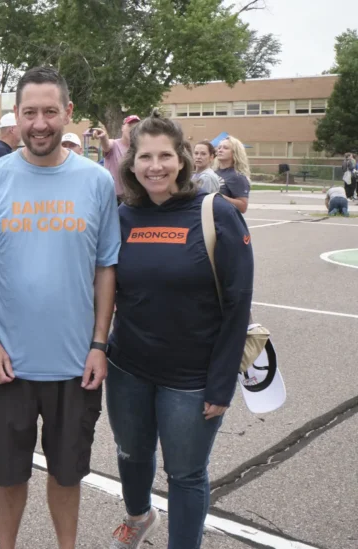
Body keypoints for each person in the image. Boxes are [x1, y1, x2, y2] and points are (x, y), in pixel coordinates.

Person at [0, 66, 120, 549]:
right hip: (9, 362)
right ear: (16, 115)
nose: (39, 123)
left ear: (67, 113)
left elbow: (106, 268)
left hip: (75, 363)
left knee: (68, 474)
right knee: (9, 475)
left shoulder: (96, 182)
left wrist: (99, 344)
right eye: (29, 112)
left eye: (50, 111)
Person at [105, 111, 253, 549]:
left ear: (183, 159)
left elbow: (238, 301)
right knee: (131, 456)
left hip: (192, 378)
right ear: (131, 164)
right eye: (145, 156)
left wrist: (222, 383)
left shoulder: (216, 213)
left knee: (186, 474)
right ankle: (138, 516)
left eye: (165, 155)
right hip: (128, 367)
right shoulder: (123, 215)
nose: (155, 166)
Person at [91, 115, 140, 202]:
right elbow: (106, 146)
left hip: (135, 197)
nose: (132, 129)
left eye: (136, 126)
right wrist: (103, 137)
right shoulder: (114, 145)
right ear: (122, 128)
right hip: (113, 198)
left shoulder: (140, 149)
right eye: (129, 125)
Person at [214, 136, 251, 213]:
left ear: (235, 152)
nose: (220, 150)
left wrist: (218, 196)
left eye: (225, 148)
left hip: (225, 222)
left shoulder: (237, 176)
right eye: (219, 147)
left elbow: (243, 207)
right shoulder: (213, 173)